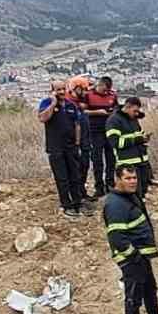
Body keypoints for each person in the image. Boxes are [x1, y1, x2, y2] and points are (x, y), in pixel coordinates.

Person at [103, 164, 158, 314]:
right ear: (118, 179)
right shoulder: (115, 205)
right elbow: (116, 237)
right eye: (128, 178)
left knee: (150, 288)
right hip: (132, 259)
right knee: (134, 295)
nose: (133, 181)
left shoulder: (128, 197)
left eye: (134, 178)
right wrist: (133, 256)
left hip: (141, 256)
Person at [36, 80, 89, 217]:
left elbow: (77, 124)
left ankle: (78, 203)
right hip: (55, 147)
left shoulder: (71, 105)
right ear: (52, 91)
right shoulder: (46, 103)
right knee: (62, 178)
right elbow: (42, 118)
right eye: (58, 90)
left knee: (75, 176)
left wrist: (77, 143)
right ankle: (66, 205)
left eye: (63, 89)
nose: (61, 92)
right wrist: (53, 104)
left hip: (71, 146)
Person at [105, 96, 152, 199]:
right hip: (127, 164)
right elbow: (115, 143)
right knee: (132, 195)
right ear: (127, 107)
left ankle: (141, 211)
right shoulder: (114, 120)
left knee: (142, 192)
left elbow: (139, 134)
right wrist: (138, 140)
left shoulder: (133, 119)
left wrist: (144, 139)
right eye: (134, 111)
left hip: (141, 162)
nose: (136, 114)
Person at [80, 76, 118, 196]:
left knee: (111, 159)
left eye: (108, 90)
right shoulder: (89, 95)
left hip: (110, 130)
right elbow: (83, 111)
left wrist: (113, 112)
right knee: (97, 161)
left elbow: (117, 109)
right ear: (99, 85)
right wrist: (98, 112)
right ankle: (99, 187)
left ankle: (110, 184)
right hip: (94, 131)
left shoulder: (112, 95)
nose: (106, 92)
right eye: (104, 90)